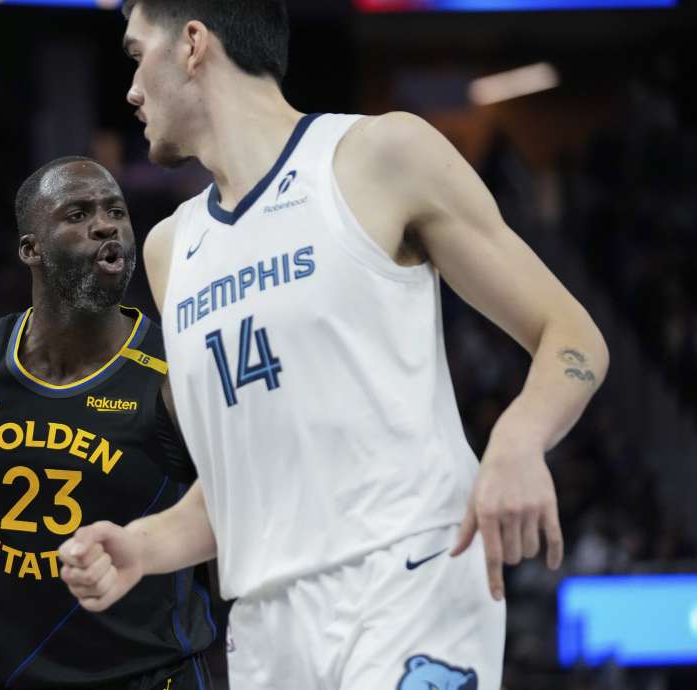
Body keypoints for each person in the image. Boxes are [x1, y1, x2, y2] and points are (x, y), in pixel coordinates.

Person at [57, 2, 609, 689]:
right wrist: (142, 544)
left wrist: (518, 440)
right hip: (266, 621)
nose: (131, 89)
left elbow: (571, 334)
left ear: (194, 44)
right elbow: (243, 484)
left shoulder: (380, 156)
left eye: (138, 55)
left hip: (410, 574)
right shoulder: (172, 249)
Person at [0, 156, 217, 690]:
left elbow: (229, 550)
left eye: (116, 211)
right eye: (77, 213)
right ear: (31, 249)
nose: (105, 223)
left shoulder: (178, 370)